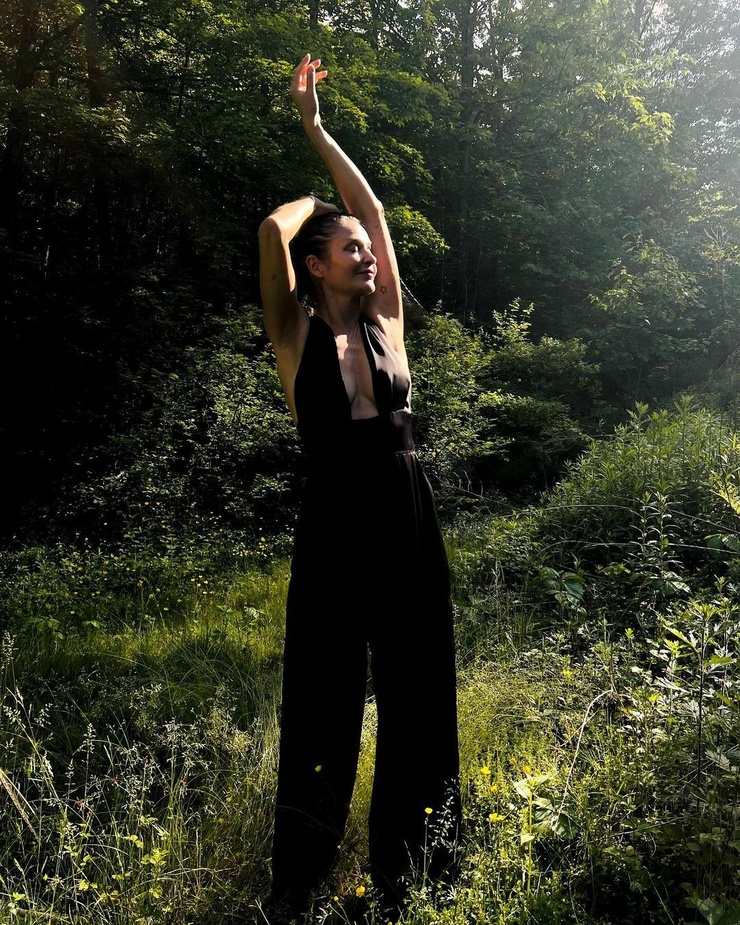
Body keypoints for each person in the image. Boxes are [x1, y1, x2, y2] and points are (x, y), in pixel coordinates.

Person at [258, 53, 462, 923]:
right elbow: (272, 231)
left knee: (419, 681)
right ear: (316, 265)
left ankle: (412, 864)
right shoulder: (293, 334)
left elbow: (374, 211)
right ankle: (299, 875)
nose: (368, 254)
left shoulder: (387, 319)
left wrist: (320, 132)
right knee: (323, 690)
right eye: (349, 249)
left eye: (367, 249)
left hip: (405, 507)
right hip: (335, 516)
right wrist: (306, 203)